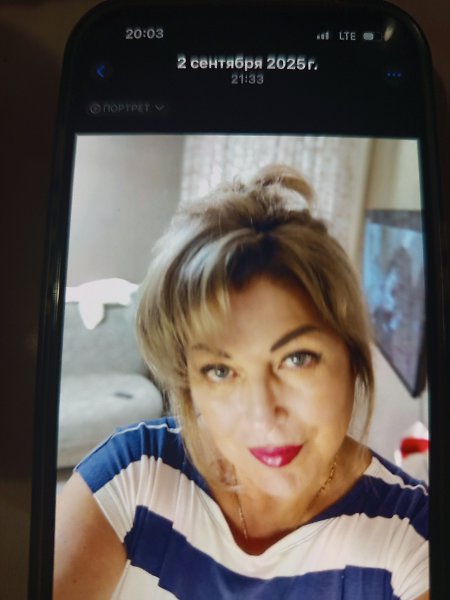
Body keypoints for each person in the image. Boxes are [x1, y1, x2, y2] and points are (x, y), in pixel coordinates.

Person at [54, 166, 429, 599]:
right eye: (221, 370)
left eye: (296, 359)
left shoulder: (413, 538)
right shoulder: (132, 475)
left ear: (351, 358)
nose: (262, 415)